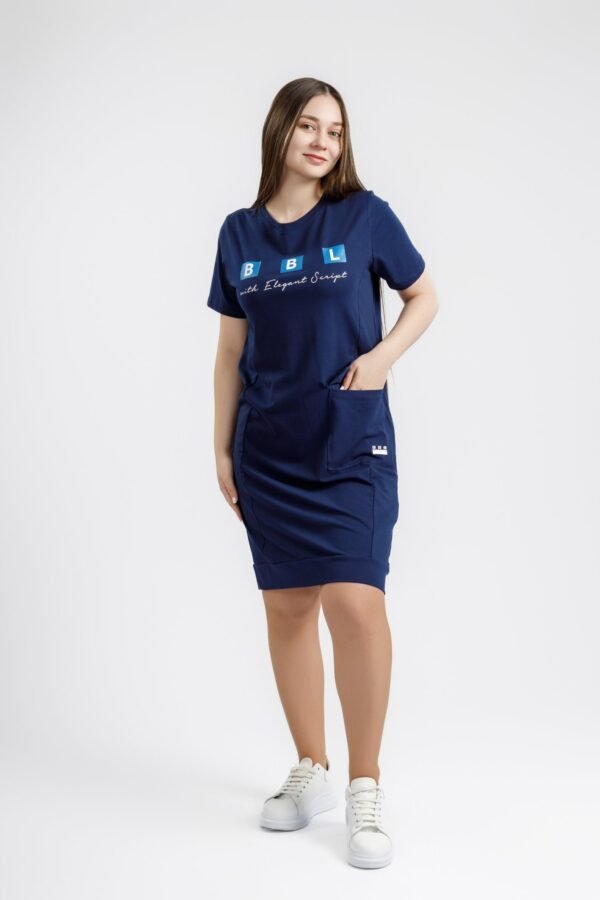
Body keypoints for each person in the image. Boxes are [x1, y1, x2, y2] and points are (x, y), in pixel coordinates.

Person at [206, 77, 439, 869]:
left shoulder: (363, 216)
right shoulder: (237, 234)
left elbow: (423, 296)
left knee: (356, 603)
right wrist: (220, 449)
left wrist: (381, 359)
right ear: (280, 131)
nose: (321, 142)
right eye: (308, 126)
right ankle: (313, 770)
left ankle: (366, 784)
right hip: (268, 448)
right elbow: (230, 352)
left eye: (334, 131)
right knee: (287, 608)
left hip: (350, 444)